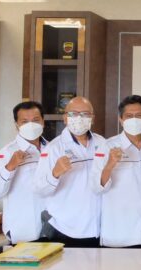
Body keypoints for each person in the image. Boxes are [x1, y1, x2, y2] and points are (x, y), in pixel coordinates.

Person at [35, 96, 105, 247]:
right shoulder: (53, 148)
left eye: (85, 114)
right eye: (74, 114)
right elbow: (40, 190)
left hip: (98, 228)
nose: (79, 118)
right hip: (65, 228)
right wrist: (55, 173)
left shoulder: (102, 143)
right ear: (65, 118)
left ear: (92, 118)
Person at [91, 95, 141, 248]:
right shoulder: (107, 146)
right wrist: (110, 165)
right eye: (129, 116)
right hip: (119, 232)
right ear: (121, 119)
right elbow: (96, 187)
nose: (134, 120)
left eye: (139, 116)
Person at [0, 101, 48, 243]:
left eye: (36, 120)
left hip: (53, 229)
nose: (31, 125)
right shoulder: (7, 153)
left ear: (43, 122)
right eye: (24, 122)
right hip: (24, 230)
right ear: (17, 125)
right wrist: (10, 167)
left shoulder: (53, 149)